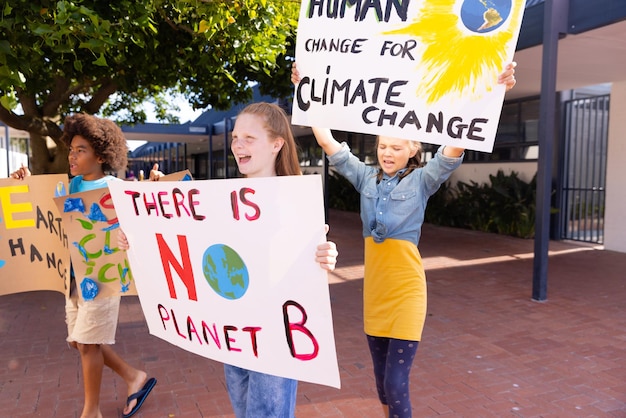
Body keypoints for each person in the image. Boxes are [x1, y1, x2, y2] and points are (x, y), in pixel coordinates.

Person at [292, 62, 517, 418]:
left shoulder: (422, 181)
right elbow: (326, 140)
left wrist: (494, 94)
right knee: (382, 384)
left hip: (408, 292)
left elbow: (455, 144)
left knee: (397, 384)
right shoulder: (366, 179)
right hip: (375, 293)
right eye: (383, 146)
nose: (387, 153)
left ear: (412, 149)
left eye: (396, 148)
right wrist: (306, 89)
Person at [117, 102, 339, 418]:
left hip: (275, 335)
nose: (238, 145)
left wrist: (324, 257)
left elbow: (308, 269)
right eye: (235, 137)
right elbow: (187, 244)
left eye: (249, 137)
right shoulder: (220, 200)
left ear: (277, 144)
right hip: (234, 332)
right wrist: (137, 237)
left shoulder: (296, 201)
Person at [12, 113, 157, 418]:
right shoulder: (69, 185)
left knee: (89, 344)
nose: (72, 156)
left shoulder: (117, 188)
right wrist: (22, 184)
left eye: (81, 150)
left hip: (104, 278)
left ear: (101, 156)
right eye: (71, 149)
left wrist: (154, 189)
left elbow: (147, 218)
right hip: (72, 278)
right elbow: (39, 208)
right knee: (79, 342)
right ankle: (134, 377)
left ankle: (91, 411)